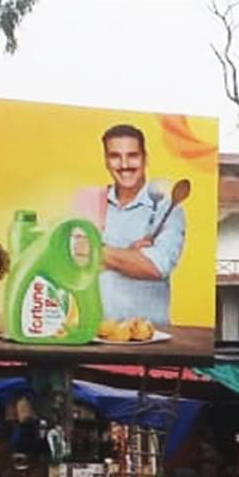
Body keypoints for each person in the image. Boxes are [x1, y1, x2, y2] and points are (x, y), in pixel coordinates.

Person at [96, 124, 186, 327]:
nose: (124, 164)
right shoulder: (91, 200)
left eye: (132, 155)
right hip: (95, 334)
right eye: (115, 156)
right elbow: (72, 263)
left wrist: (97, 252)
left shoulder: (168, 208)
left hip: (149, 335)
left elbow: (156, 267)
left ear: (145, 158)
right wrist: (131, 255)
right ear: (106, 161)